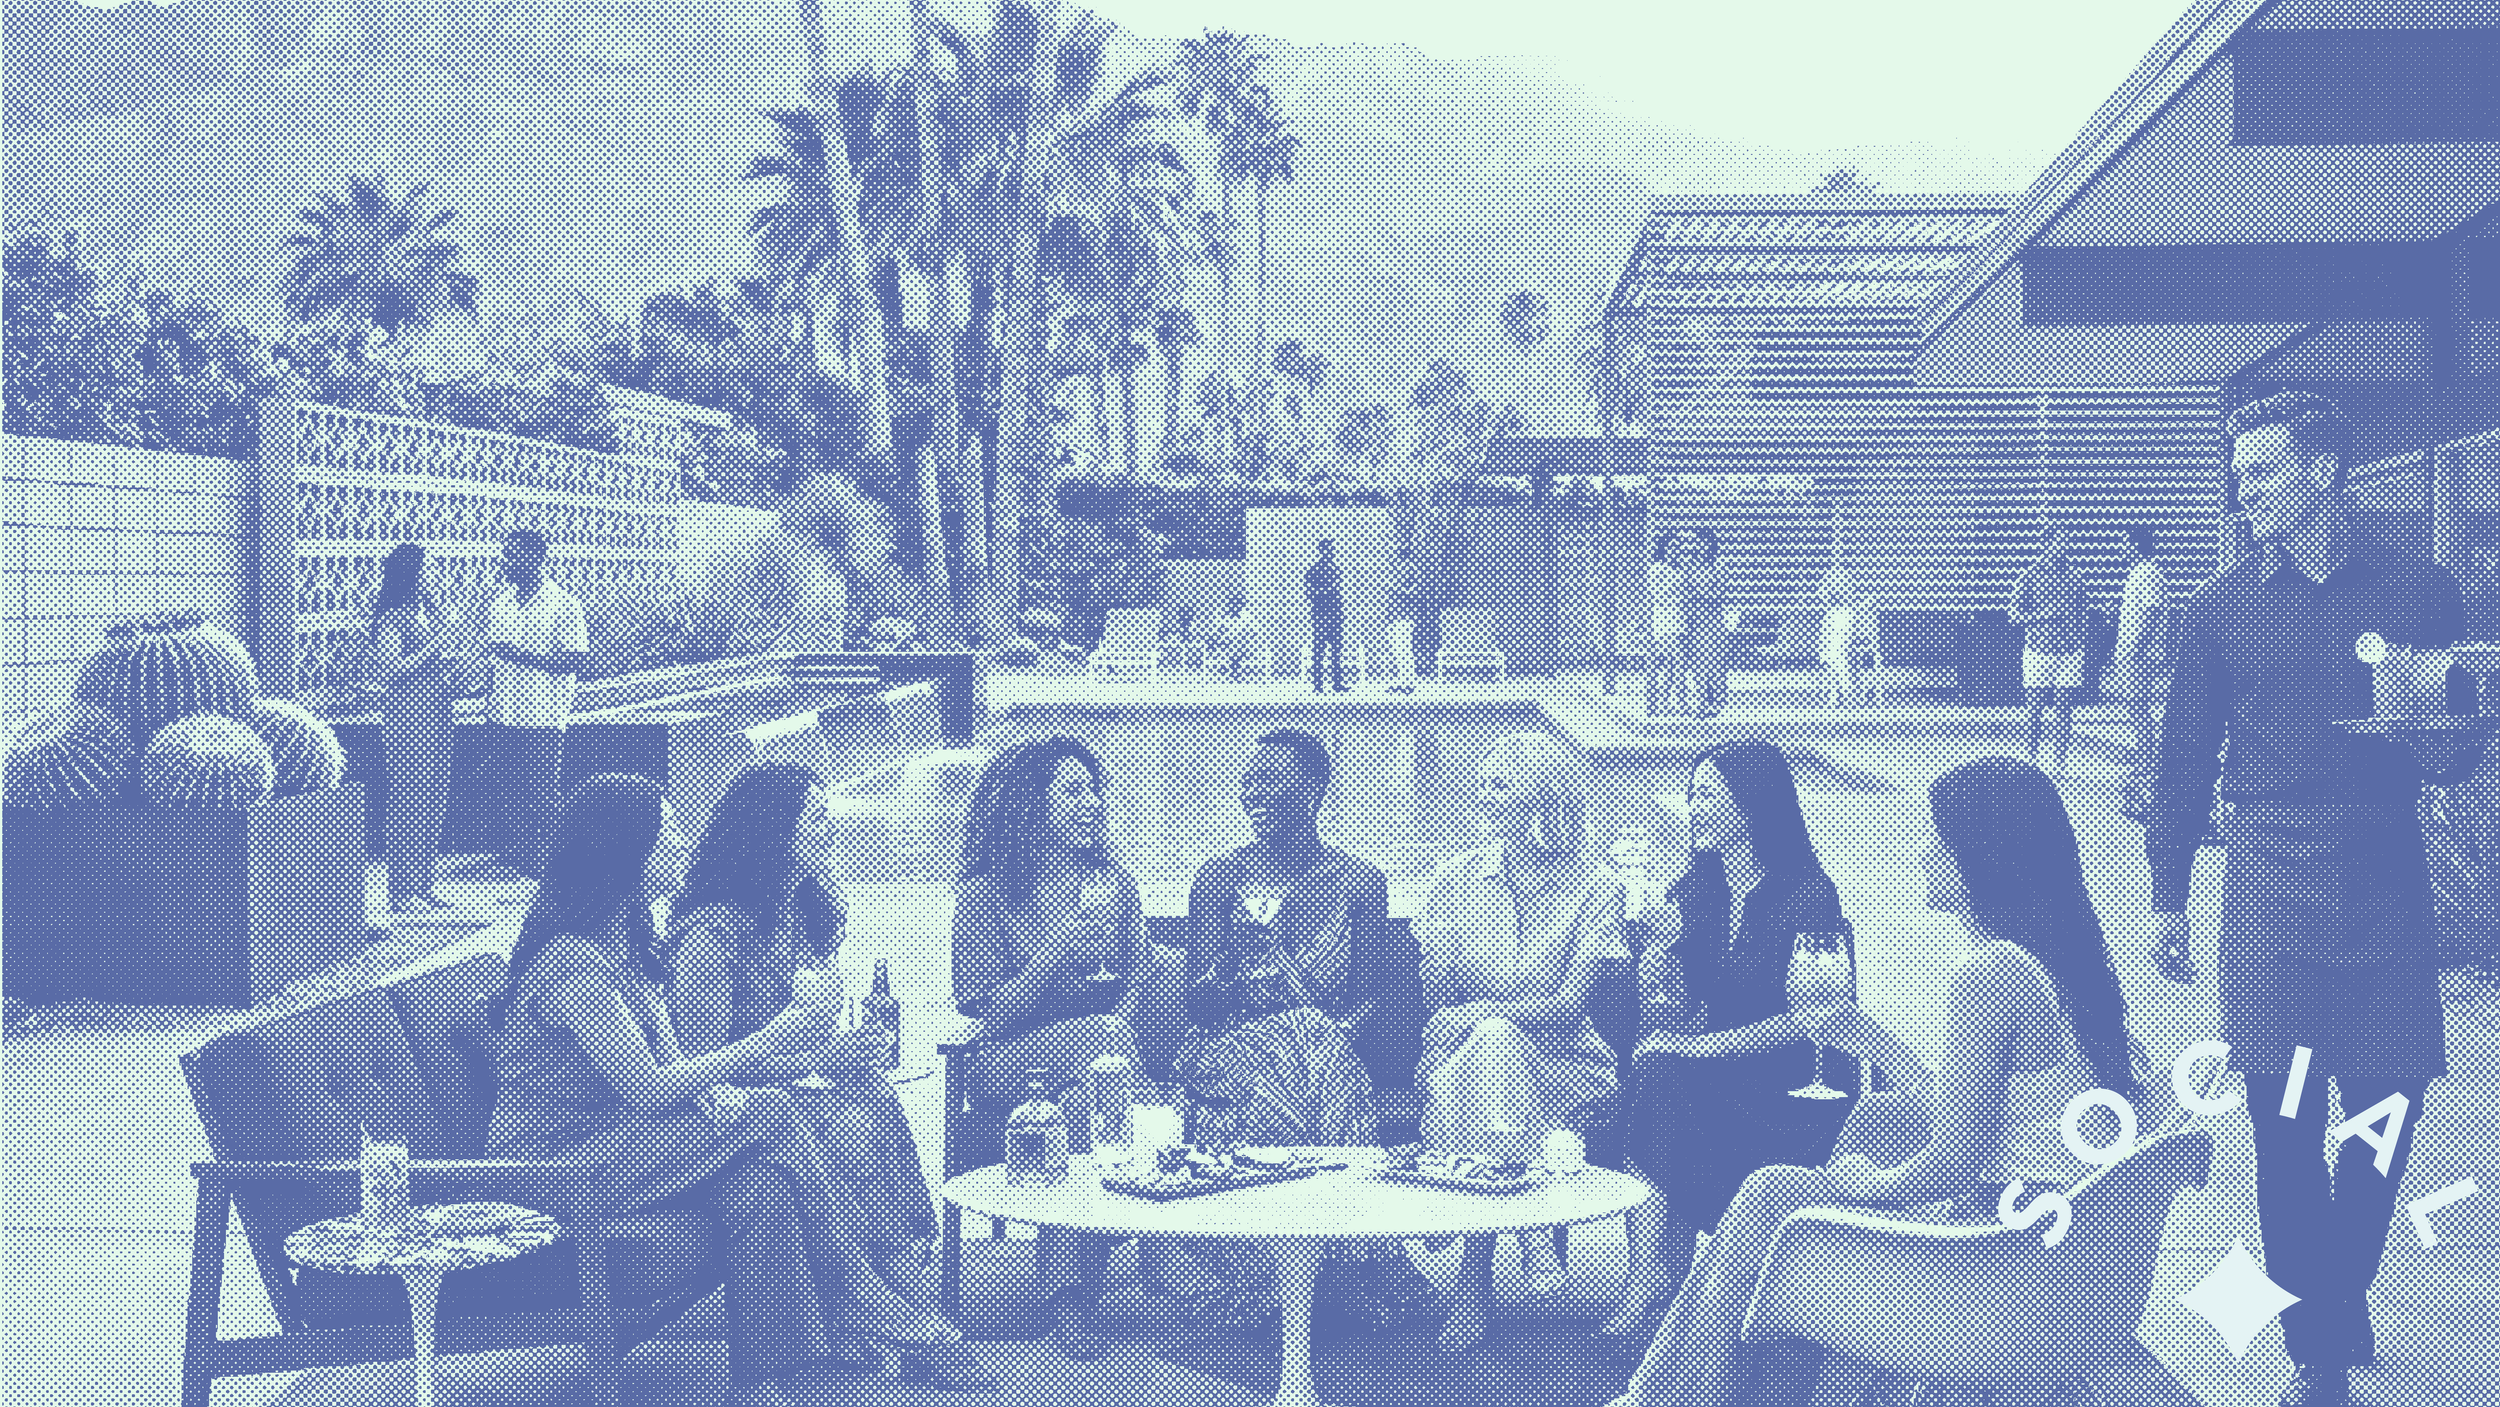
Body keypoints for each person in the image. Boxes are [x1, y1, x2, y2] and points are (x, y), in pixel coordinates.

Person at [1612, 757, 2145, 1407]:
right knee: (1776, 1197)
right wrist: (1873, 1043)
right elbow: (1986, 1121)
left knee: (1770, 1202)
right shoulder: (2058, 964)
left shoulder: (1991, 975)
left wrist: (1876, 1185)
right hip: (2038, 1250)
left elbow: (1955, 1163)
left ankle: (1662, 1398)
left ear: (1976, 857)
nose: (1919, 852)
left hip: (1995, 1265)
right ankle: (1682, 1395)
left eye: (1934, 837)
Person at [2146, 391, 2477, 1407]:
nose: (2243, 494)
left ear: (2323, 472)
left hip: (2381, 885)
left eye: (2262, 472)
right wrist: (2167, 896)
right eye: (2239, 475)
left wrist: (2438, 738)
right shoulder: (2216, 608)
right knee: (2287, 1130)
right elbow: (2182, 756)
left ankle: (2338, 1284)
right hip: (2268, 896)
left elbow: (2458, 748)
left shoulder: (2421, 593)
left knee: (2384, 1110)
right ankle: (2316, 1354)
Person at [484, 774, 998, 1405]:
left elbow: (682, 1077)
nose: (679, 840)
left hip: (628, 1148)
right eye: (663, 831)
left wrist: (752, 1090)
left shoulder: (632, 948)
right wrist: (779, 1040)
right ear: (627, 850)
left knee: (764, 1182)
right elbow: (648, 1088)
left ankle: (766, 1383)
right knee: (777, 1116)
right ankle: (861, 1296)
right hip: (558, 1165)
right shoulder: (574, 961)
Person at [1603, 741, 1930, 1355]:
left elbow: (1811, 1020)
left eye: (1708, 797)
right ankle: (1652, 1277)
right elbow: (1680, 1010)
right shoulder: (1694, 893)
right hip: (1719, 1078)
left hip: (1794, 1085)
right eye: (1693, 794)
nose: (1692, 809)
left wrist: (1695, 1049)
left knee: (1669, 1077)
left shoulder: (1806, 893)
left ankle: (1661, 1283)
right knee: (1656, 1078)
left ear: (1751, 809)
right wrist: (1655, 959)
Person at [659, 764, 950, 1375]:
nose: (831, 830)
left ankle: (901, 1291)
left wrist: (837, 1051)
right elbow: (706, 1068)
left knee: (873, 1100)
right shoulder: (712, 936)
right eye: (816, 819)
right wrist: (815, 1052)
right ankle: (874, 1313)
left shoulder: (800, 913)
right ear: (775, 833)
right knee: (850, 1126)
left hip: (778, 1094)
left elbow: (802, 1043)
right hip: (728, 1110)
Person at [951, 738, 1214, 1359]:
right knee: (1108, 1054)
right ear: (1030, 806)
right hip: (1009, 1060)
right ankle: (1140, 1259)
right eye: (1074, 791)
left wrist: (1114, 1023)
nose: (1092, 803)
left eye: (1096, 790)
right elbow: (984, 1013)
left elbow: (1137, 980)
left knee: (1085, 1098)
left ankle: (1070, 1296)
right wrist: (1054, 955)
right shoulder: (988, 894)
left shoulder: (1114, 885)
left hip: (1090, 1068)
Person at [1170, 730, 1432, 1333]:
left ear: (1314, 790)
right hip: (1228, 1052)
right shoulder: (1217, 880)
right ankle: (1333, 1271)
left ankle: (1297, 1281)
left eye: (1269, 779)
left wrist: (1322, 1031)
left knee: (1316, 1045)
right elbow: (1199, 1008)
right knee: (1302, 1053)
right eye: (1248, 781)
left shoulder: (1359, 881)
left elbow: (1369, 997)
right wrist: (1230, 971)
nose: (1252, 792)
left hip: (1327, 1054)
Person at [1417, 731, 1628, 1352]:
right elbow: (1438, 1003)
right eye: (1481, 777)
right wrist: (1475, 1019)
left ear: (1544, 790)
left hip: (1565, 1062)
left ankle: (1471, 1285)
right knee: (1492, 1044)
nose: (1483, 788)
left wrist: (1481, 1011)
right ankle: (1532, 1238)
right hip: (1463, 1063)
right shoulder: (1452, 881)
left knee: (1495, 1036)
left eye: (1500, 778)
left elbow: (1569, 1009)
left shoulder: (1596, 885)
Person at [471, 529, 589, 890]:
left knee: (540, 791)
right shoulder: (500, 601)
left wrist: (517, 654)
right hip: (503, 713)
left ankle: (543, 860)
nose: (505, 562)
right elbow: (490, 659)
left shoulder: (563, 603)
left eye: (513, 555)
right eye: (505, 554)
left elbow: (574, 659)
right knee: (506, 788)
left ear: (536, 559)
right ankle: (512, 858)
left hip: (543, 716)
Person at [365, 542, 468, 916]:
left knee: (433, 798)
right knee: (408, 799)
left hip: (436, 709)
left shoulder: (426, 608)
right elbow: (393, 670)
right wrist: (435, 646)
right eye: (426, 567)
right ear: (411, 573)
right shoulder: (392, 616)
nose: (432, 574)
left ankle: (423, 883)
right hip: (408, 716)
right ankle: (401, 888)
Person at [2009, 529, 2090, 778]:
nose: (2064, 547)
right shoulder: (2029, 576)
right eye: (2059, 542)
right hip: (2038, 652)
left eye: (2066, 542)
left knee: (2064, 709)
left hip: (2069, 653)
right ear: (2046, 545)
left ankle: (2059, 764)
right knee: (2034, 709)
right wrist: (2042, 617)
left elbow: (2084, 612)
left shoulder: (2076, 576)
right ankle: (2031, 761)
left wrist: (2079, 634)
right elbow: (2013, 616)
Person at [2114, 525, 2175, 785]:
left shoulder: (2147, 573)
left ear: (2136, 545)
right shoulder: (2142, 573)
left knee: (2139, 711)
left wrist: (2133, 650)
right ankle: (2146, 762)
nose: (2122, 549)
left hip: (2139, 656)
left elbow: (2149, 613)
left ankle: (2147, 766)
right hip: (2137, 653)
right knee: (2138, 711)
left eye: (2125, 543)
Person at [1684, 530, 1734, 719]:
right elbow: (1687, 592)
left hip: (1713, 621)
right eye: (1697, 543)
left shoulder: (1719, 566)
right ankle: (1701, 702)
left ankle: (1717, 700)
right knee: (1698, 664)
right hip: (1695, 622)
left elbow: (1719, 592)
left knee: (1715, 662)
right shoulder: (1691, 566)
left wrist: (1700, 594)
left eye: (1703, 543)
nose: (1699, 547)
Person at [1813, 562, 1871, 708]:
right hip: (1833, 651)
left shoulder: (1843, 613)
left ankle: (1848, 698)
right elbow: (1825, 635)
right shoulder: (1831, 614)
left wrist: (1848, 648)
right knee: (1834, 675)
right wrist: (1823, 650)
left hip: (1839, 651)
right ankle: (1836, 699)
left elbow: (1846, 634)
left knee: (1841, 674)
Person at [1649, 535, 1693, 718]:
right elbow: (1662, 594)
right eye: (1673, 547)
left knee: (1678, 667)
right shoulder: (1657, 570)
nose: (1677, 551)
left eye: (1678, 547)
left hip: (1679, 625)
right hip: (1664, 627)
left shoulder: (1680, 571)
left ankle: (1676, 704)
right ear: (1664, 549)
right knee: (1670, 667)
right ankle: (1666, 704)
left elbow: (1684, 597)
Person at [1305, 539, 1347, 693]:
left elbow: (1336, 594)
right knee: (1324, 650)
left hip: (1327, 615)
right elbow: (1310, 593)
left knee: (1330, 650)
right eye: (1330, 549)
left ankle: (1327, 683)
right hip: (1325, 615)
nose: (1332, 552)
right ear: (1323, 551)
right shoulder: (1318, 570)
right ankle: (1323, 684)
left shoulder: (1328, 569)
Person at [1209, 594, 1260, 682]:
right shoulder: (1222, 620)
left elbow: (1253, 637)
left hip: (1243, 656)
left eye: (1239, 604)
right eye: (1233, 604)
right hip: (1225, 657)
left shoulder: (1248, 619)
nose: (1236, 607)